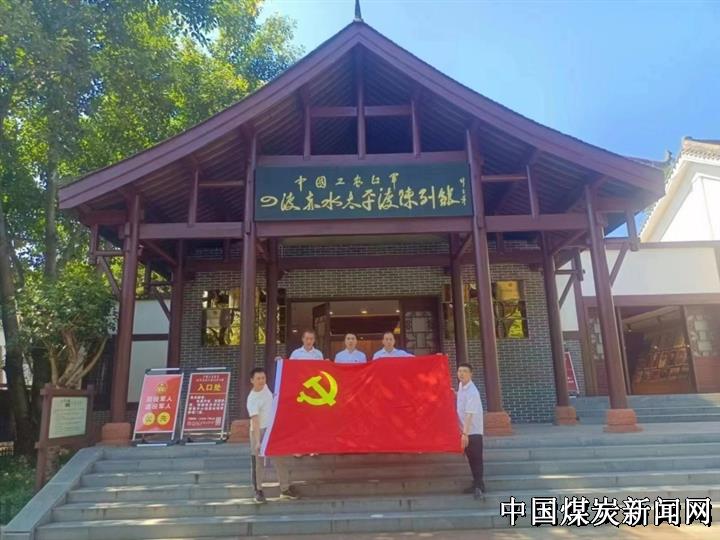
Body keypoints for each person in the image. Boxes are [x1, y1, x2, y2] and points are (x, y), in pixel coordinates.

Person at [246, 367, 299, 503]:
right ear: (252, 380)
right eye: (258, 379)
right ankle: (258, 490)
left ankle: (285, 489)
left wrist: (279, 362)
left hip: (272, 429)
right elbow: (255, 421)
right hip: (258, 431)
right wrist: (258, 441)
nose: (261, 381)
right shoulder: (252, 399)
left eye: (263, 378)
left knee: (280, 459)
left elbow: (281, 376)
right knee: (258, 462)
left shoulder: (266, 388)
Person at [456, 362, 485, 500]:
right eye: (460, 371)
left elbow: (469, 414)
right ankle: (477, 484)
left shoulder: (472, 392)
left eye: (465, 371)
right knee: (471, 459)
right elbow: (460, 398)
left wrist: (465, 434)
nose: (461, 374)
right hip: (465, 430)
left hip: (473, 432)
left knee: (476, 459)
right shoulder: (462, 386)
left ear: (471, 374)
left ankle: (479, 486)